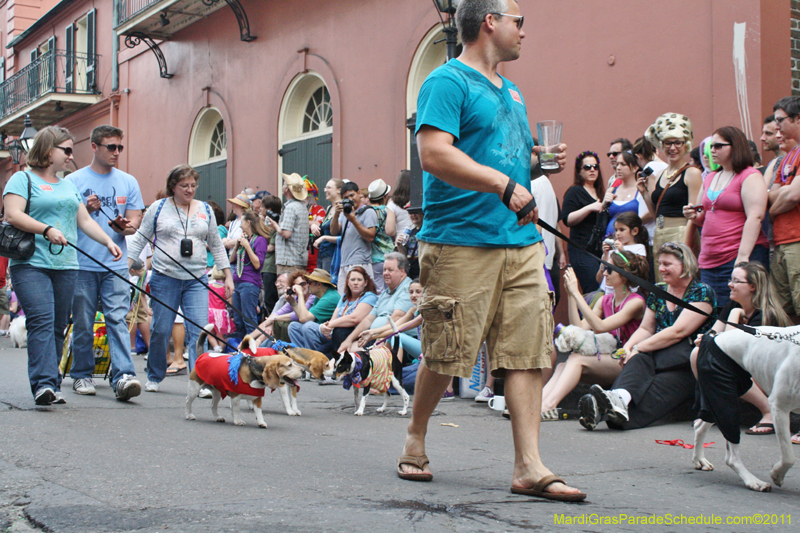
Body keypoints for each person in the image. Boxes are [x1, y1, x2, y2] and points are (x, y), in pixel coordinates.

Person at [396, 1, 584, 501]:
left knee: (526, 353)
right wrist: (504, 183)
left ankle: (529, 466)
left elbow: (508, 159)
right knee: (446, 351)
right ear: (489, 22)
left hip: (520, 241)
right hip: (460, 239)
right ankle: (416, 437)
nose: (525, 31)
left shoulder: (513, 91)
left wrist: (537, 162)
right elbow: (434, 154)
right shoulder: (447, 81)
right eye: (518, 20)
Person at [3, 126, 123, 405]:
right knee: (42, 320)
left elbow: (84, 221)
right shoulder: (22, 179)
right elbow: (12, 214)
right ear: (48, 150)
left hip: (67, 264)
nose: (71, 156)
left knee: (58, 325)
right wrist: (46, 230)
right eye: (66, 150)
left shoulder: (68, 184)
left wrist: (107, 241)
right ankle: (43, 384)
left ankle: (52, 383)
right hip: (30, 262)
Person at [579, 243, 716, 431]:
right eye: (660, 263)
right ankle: (615, 402)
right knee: (619, 418)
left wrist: (637, 348)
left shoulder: (701, 291)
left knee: (642, 356)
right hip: (658, 358)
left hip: (686, 361)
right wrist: (628, 348)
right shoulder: (658, 290)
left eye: (667, 264)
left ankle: (608, 403)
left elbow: (678, 332)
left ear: (685, 264)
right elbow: (646, 328)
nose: (661, 269)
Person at [127, 164, 233, 392]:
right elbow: (140, 239)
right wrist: (126, 265)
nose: (189, 190)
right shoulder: (158, 208)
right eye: (184, 185)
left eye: (193, 185)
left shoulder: (205, 209)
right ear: (173, 186)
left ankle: (200, 380)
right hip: (165, 277)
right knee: (161, 329)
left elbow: (215, 243)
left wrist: (228, 275)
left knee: (199, 330)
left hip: (197, 278)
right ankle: (155, 375)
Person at [66, 125, 144, 401]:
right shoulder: (73, 180)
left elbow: (135, 222)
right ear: (95, 147)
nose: (116, 152)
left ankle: (124, 375)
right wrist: (85, 210)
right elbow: (65, 221)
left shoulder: (128, 181)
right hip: (82, 262)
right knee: (84, 321)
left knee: (117, 319)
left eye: (120, 147)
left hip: (116, 264)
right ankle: (82, 374)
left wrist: (126, 226)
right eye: (111, 147)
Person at [691, 262, 792, 439]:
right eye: (731, 279)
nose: (730, 284)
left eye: (736, 281)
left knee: (724, 365)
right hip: (747, 368)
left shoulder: (765, 315)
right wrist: (705, 339)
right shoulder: (734, 304)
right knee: (696, 354)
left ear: (752, 286)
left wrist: (735, 315)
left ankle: (768, 411)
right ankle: (714, 408)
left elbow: (730, 349)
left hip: (771, 375)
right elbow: (715, 333)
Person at [542, 252, 648, 420]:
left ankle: (549, 406)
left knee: (577, 359)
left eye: (609, 270)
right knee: (563, 365)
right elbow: (580, 328)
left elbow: (600, 327)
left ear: (624, 275)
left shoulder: (636, 302)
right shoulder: (605, 300)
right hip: (612, 358)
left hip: (630, 362)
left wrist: (577, 294)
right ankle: (538, 405)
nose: (604, 273)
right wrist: (571, 294)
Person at [683, 126, 769, 308]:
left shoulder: (750, 176)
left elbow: (756, 216)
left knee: (741, 312)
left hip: (738, 255)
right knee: (713, 311)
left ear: (735, 146)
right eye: (711, 146)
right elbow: (702, 215)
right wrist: (692, 214)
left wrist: (743, 258)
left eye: (718, 146)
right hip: (709, 258)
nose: (712, 150)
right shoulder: (711, 177)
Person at [640, 113, 702, 280]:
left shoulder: (692, 173)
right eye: (668, 143)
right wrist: (645, 193)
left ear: (686, 145)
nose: (672, 148)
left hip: (680, 233)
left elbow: (693, 216)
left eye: (678, 143)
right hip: (660, 234)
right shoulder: (660, 174)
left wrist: (685, 247)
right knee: (664, 285)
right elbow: (656, 214)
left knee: (680, 282)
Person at [337, 253, 414, 354]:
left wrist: (379, 340)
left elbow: (396, 318)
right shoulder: (385, 293)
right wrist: (349, 340)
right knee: (344, 349)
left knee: (350, 355)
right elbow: (369, 319)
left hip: (395, 342)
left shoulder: (408, 289)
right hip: (375, 337)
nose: (386, 273)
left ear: (402, 272)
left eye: (390, 270)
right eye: (384, 270)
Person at [767, 96, 800, 324]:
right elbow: (772, 195)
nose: (776, 126)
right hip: (781, 240)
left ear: (798, 119)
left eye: (781, 120)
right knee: (784, 311)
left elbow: (793, 195)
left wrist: (770, 213)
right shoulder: (789, 156)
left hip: (797, 239)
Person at [289, 267, 373, 354]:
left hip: (351, 335)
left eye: (359, 280)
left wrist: (300, 295)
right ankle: (302, 357)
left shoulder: (331, 297)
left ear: (365, 283)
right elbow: (333, 318)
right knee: (293, 326)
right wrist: (292, 303)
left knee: (308, 326)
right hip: (333, 333)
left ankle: (312, 360)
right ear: (348, 282)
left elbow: (354, 319)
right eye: (352, 280)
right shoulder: (345, 297)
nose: (356, 283)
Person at [561, 151, 605, 293]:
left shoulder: (602, 193)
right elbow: (567, 219)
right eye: (587, 167)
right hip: (581, 249)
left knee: (603, 290)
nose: (592, 170)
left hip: (601, 251)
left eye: (595, 166)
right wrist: (590, 208)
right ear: (579, 172)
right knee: (593, 289)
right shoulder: (575, 191)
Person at [330, 181, 378, 292]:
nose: (350, 199)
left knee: (360, 296)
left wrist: (353, 220)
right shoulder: (344, 213)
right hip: (344, 263)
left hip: (361, 262)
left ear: (359, 193)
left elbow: (370, 236)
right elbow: (334, 231)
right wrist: (336, 215)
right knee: (343, 298)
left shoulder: (368, 212)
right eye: (346, 197)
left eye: (352, 195)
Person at [229, 210, 269, 336]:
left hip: (249, 283)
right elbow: (232, 260)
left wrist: (247, 246)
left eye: (241, 222)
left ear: (248, 222)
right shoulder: (245, 238)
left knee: (248, 319)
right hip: (237, 282)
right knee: (238, 320)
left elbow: (258, 264)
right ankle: (241, 348)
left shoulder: (260, 240)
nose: (240, 225)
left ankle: (253, 349)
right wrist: (237, 245)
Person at [254, 269, 316, 343]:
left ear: (308, 284)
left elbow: (300, 316)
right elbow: (277, 313)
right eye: (297, 286)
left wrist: (274, 319)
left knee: (284, 324)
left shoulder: (313, 296)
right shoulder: (294, 297)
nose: (301, 288)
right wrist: (250, 338)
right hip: (298, 331)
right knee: (270, 333)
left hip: (310, 331)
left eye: (303, 284)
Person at [594, 211, 650, 293]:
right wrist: (605, 255)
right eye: (616, 230)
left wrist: (622, 250)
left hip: (627, 294)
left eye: (622, 230)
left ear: (634, 231)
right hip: (607, 293)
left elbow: (638, 271)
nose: (618, 234)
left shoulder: (639, 248)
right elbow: (599, 279)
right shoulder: (612, 249)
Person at [267, 173, 309, 275]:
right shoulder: (302, 207)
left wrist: (275, 225)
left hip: (288, 261)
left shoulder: (290, 208)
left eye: (284, 184)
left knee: (286, 288)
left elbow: (286, 233)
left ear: (287, 189)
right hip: (299, 259)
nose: (282, 186)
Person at [605, 151, 653, 236]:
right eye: (617, 164)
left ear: (635, 167)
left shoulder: (641, 189)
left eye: (623, 164)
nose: (618, 168)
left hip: (633, 240)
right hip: (610, 241)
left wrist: (631, 224)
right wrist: (603, 204)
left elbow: (651, 212)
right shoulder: (612, 190)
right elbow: (602, 215)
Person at [367, 179, 396, 293]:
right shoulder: (388, 210)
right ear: (385, 197)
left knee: (377, 291)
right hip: (389, 255)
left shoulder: (367, 211)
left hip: (372, 258)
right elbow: (392, 231)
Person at [311, 179, 344, 274]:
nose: (325, 190)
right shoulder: (329, 208)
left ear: (339, 190)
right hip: (323, 253)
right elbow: (324, 228)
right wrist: (314, 225)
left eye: (329, 187)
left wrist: (324, 238)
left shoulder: (342, 208)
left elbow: (343, 235)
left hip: (334, 254)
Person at [260, 195, 282, 317]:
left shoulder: (274, 225)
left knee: (270, 299)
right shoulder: (265, 223)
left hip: (270, 267)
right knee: (264, 299)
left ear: (268, 209)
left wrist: (257, 247)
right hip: (264, 266)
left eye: (262, 207)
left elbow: (271, 247)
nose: (260, 209)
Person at [304, 178, 326, 273]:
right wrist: (310, 224)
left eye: (308, 194)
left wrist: (302, 223)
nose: (306, 197)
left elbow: (319, 224)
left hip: (314, 253)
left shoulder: (319, 209)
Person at [388, 170, 412, 242]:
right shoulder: (418, 201)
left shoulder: (393, 204)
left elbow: (390, 230)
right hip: (416, 242)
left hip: (401, 241)